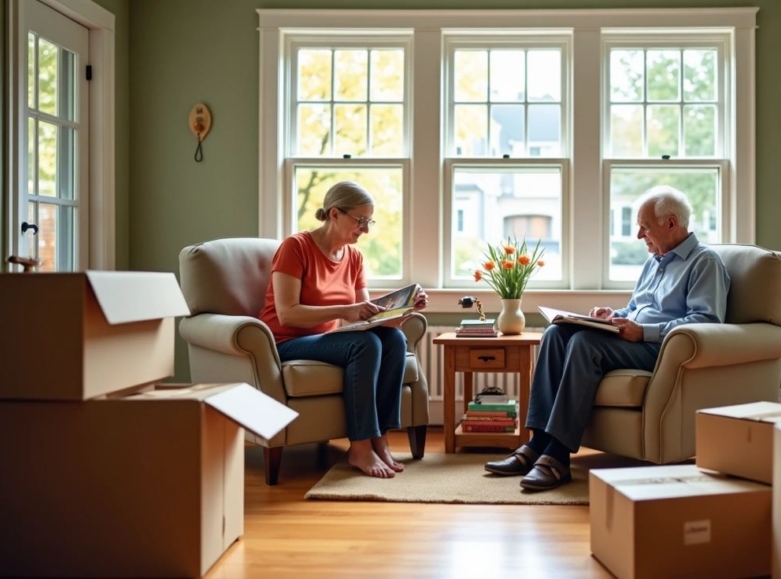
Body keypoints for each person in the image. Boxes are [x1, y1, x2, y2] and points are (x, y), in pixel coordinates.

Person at [484, 186, 730, 491]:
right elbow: (637, 308)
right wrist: (611, 315)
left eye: (644, 226)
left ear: (671, 224)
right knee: (556, 333)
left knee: (584, 344)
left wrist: (644, 332)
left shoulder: (704, 262)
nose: (639, 235)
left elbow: (706, 321)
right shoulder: (653, 262)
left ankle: (558, 458)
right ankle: (537, 444)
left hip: (663, 350)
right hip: (633, 340)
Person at [259, 180, 428, 479]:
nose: (366, 229)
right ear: (335, 214)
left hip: (325, 340)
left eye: (369, 221)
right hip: (285, 343)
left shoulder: (354, 257)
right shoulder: (295, 247)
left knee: (392, 340)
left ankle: (380, 438)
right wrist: (343, 310)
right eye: (360, 220)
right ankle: (359, 447)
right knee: (367, 345)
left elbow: (366, 318)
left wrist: (405, 308)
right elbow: (287, 314)